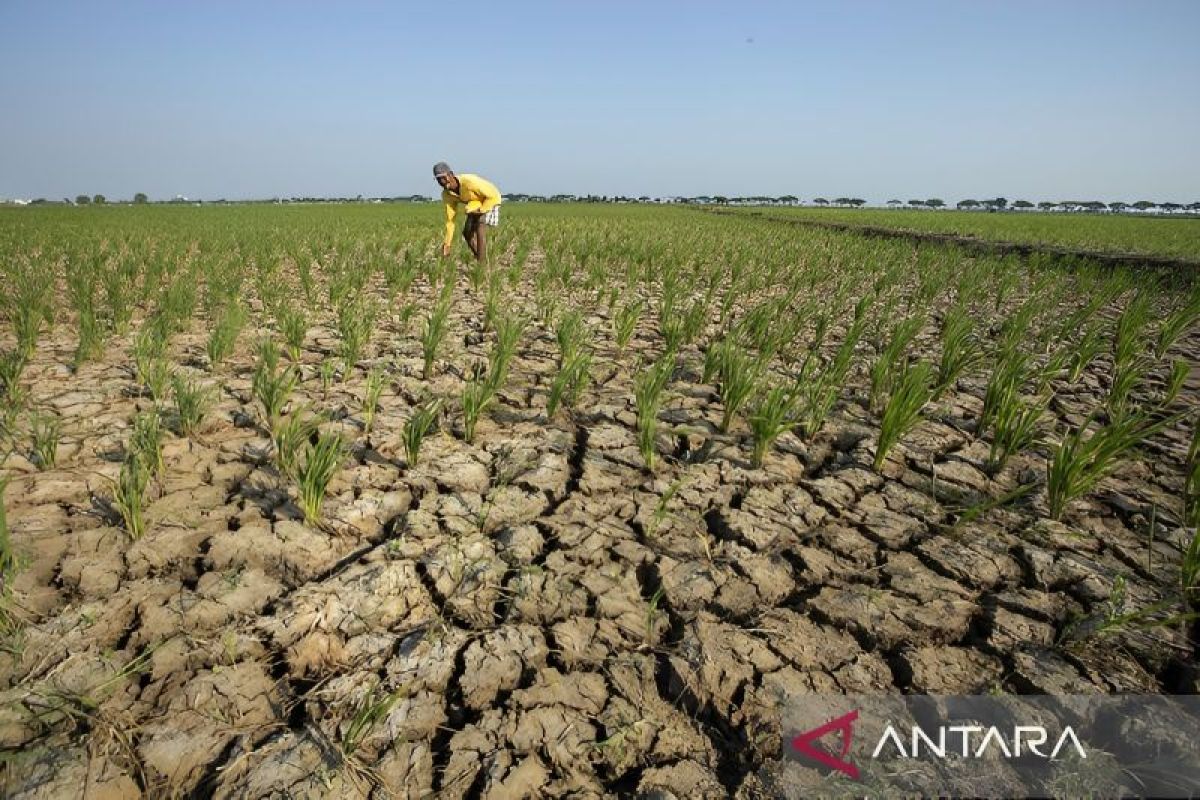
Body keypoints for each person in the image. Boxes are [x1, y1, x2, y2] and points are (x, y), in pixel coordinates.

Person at [433, 162, 502, 262]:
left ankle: (482, 265)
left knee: (480, 224)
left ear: (451, 174)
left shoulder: (469, 182)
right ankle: (481, 259)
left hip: (490, 199)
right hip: (473, 204)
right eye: (438, 180)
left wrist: (482, 211)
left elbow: (493, 196)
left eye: (443, 178)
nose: (442, 182)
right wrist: (447, 243)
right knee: (467, 233)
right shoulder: (447, 194)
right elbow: (450, 220)